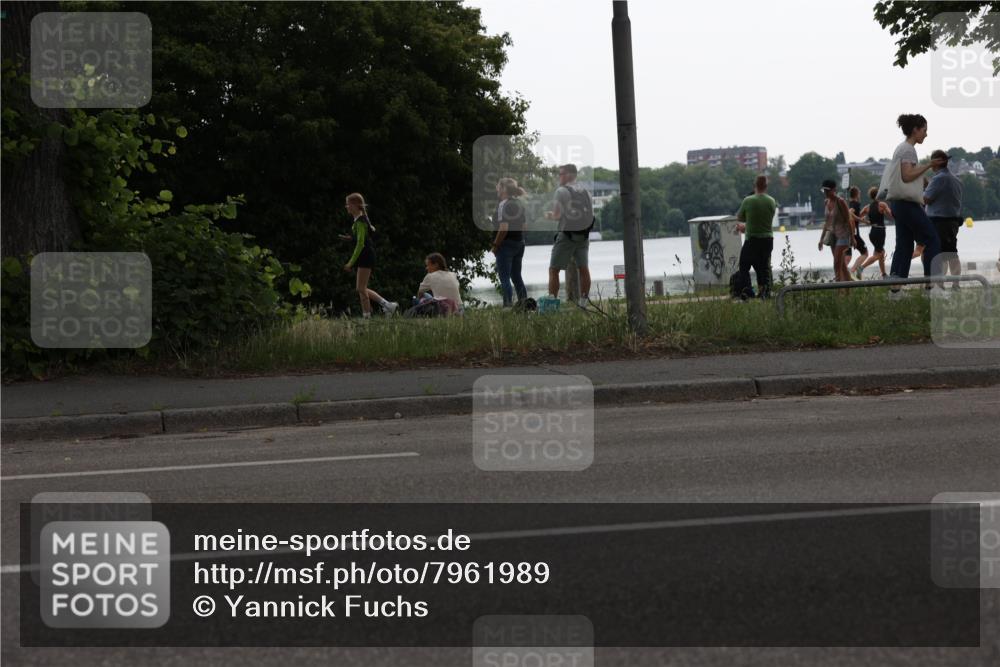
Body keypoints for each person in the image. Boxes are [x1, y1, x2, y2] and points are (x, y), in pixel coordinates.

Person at [878, 113, 946, 299]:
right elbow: (907, 175)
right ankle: (931, 287)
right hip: (907, 204)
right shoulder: (908, 149)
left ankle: (895, 290)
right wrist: (929, 165)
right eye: (924, 130)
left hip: (898, 203)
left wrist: (925, 179)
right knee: (932, 238)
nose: (926, 134)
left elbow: (907, 175)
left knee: (904, 245)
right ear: (915, 130)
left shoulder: (901, 148)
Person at [342, 192, 397, 318]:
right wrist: (351, 238)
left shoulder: (360, 221)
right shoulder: (358, 220)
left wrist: (350, 262)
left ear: (355, 205)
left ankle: (380, 309)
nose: (347, 207)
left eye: (348, 204)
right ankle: (378, 310)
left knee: (361, 288)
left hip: (365, 255)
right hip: (365, 255)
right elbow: (361, 239)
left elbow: (361, 244)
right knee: (361, 288)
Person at [545, 164, 593, 307]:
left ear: (568, 175)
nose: (558, 177)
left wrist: (549, 216)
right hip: (583, 236)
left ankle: (552, 304)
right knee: (583, 269)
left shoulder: (561, 191)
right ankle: (583, 303)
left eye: (560, 174)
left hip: (566, 236)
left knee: (554, 269)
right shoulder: (586, 192)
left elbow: (557, 215)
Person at [923, 149, 964, 287]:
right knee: (952, 252)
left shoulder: (938, 179)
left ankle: (939, 285)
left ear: (936, 163)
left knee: (937, 254)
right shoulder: (956, 180)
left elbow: (926, 199)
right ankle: (956, 284)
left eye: (931, 162)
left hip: (939, 222)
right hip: (953, 221)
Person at [734, 174, 777, 299]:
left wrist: (743, 227)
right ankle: (764, 293)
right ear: (766, 186)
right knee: (763, 268)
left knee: (744, 266)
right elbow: (764, 219)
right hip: (768, 240)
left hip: (752, 240)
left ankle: (748, 292)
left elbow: (740, 217)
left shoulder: (748, 200)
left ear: (755, 185)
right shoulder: (771, 201)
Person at [491, 178, 528, 307]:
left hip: (505, 245)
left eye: (498, 186)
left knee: (504, 278)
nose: (496, 188)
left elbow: (504, 228)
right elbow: (524, 227)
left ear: (503, 189)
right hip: (519, 243)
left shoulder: (503, 205)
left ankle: (507, 306)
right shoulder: (519, 203)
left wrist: (495, 245)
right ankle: (525, 305)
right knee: (517, 276)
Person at [817, 179, 855, 286]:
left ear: (834, 190)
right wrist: (821, 239)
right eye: (824, 191)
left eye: (827, 191)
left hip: (843, 235)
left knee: (836, 263)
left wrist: (852, 238)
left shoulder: (840, 202)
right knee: (842, 265)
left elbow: (849, 220)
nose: (825, 193)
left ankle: (838, 289)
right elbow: (826, 223)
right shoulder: (826, 202)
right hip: (833, 235)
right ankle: (848, 289)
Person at [859, 186, 894, 278]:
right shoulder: (882, 205)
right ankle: (861, 267)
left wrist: (865, 221)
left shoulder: (867, 207)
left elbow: (858, 217)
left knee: (880, 252)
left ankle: (884, 274)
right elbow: (891, 215)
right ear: (878, 195)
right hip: (880, 232)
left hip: (872, 232)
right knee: (879, 254)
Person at [845, 186, 870, 278]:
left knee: (847, 257)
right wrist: (853, 235)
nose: (860, 195)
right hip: (854, 233)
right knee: (865, 253)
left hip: (847, 233)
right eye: (859, 193)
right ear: (856, 194)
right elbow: (850, 213)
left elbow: (852, 215)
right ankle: (852, 271)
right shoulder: (855, 204)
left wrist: (862, 220)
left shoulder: (850, 203)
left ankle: (840, 274)